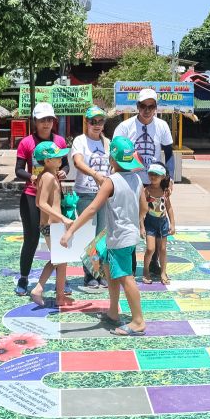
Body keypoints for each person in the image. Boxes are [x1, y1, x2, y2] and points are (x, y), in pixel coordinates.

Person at [60, 136, 146, 336]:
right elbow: (143, 206)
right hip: (122, 235)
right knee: (109, 270)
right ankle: (113, 311)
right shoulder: (137, 179)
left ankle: (138, 321)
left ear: (112, 160)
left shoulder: (111, 182)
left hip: (120, 238)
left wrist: (71, 230)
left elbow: (91, 209)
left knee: (125, 277)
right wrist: (136, 222)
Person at [113, 88, 174, 274]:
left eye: (151, 106)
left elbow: (169, 153)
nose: (147, 110)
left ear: (156, 107)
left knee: (155, 220)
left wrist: (169, 178)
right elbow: (115, 151)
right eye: (143, 106)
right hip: (132, 179)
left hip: (153, 182)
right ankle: (130, 263)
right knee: (131, 221)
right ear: (137, 106)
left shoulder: (162, 125)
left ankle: (154, 262)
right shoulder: (125, 127)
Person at [15, 102, 68, 296]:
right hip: (31, 196)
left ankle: (62, 281)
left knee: (58, 239)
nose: (46, 124)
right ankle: (23, 278)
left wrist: (63, 172)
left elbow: (66, 165)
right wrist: (31, 177)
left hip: (55, 198)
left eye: (49, 120)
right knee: (31, 238)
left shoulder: (60, 141)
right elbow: (18, 169)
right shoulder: (26, 142)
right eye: (42, 120)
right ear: (35, 122)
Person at [71, 106, 111, 288]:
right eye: (92, 121)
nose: (96, 125)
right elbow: (78, 162)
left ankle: (98, 271)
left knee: (101, 236)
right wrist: (95, 175)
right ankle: (89, 274)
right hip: (86, 193)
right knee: (89, 236)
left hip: (105, 195)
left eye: (100, 121)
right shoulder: (80, 141)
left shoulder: (108, 143)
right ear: (86, 122)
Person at [30, 141, 73, 307]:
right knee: (59, 259)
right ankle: (39, 288)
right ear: (47, 161)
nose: (61, 157)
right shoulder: (47, 177)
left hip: (52, 225)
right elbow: (41, 203)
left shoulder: (47, 175)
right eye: (56, 156)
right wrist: (63, 219)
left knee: (60, 260)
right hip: (51, 225)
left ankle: (59, 297)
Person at [139, 163, 176, 285]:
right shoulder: (146, 190)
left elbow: (169, 208)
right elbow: (142, 210)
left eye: (156, 175)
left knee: (163, 249)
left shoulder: (165, 192)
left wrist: (173, 224)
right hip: (150, 222)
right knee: (150, 249)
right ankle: (146, 270)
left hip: (162, 223)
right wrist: (142, 226)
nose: (153, 177)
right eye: (151, 174)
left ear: (163, 177)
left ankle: (163, 272)